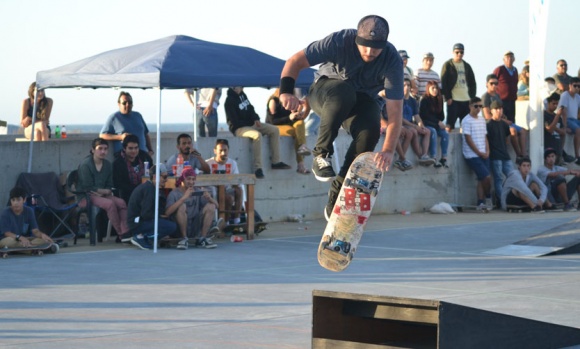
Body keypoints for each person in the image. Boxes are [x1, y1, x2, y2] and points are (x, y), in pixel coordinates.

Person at [278, 14, 404, 219]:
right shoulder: (339, 41)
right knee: (343, 91)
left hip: (359, 102)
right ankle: (321, 155)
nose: (370, 52)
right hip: (324, 93)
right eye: (364, 46)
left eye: (376, 48)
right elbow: (295, 61)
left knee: (371, 128)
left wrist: (388, 149)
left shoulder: (392, 60)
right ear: (357, 40)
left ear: (385, 44)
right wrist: (286, 92)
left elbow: (395, 112)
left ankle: (339, 195)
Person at [224, 86, 292, 179]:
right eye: (234, 87)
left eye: (239, 86)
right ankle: (258, 168)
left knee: (274, 130)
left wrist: (256, 118)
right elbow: (234, 122)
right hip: (239, 128)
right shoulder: (229, 101)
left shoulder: (243, 95)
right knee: (257, 135)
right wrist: (250, 123)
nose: (237, 88)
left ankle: (276, 162)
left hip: (251, 124)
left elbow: (251, 109)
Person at [77, 138, 130, 241]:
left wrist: (106, 191)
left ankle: (126, 231)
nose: (103, 151)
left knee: (121, 202)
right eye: (100, 148)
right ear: (93, 150)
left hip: (103, 195)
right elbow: (87, 187)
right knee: (109, 204)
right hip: (86, 196)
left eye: (105, 149)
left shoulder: (108, 165)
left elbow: (110, 184)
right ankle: (121, 234)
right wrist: (102, 191)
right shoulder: (86, 165)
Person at [127, 164, 180, 250]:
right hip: (137, 223)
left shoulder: (152, 188)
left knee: (170, 224)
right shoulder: (149, 189)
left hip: (139, 220)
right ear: (155, 177)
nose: (166, 180)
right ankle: (141, 236)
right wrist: (160, 216)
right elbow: (146, 213)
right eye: (165, 177)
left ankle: (145, 236)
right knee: (171, 227)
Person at [165, 168, 218, 249]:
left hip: (194, 226)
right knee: (182, 206)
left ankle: (202, 239)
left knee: (211, 206)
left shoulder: (197, 191)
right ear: (182, 179)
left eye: (193, 179)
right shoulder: (174, 193)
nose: (191, 182)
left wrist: (210, 198)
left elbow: (217, 207)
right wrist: (184, 198)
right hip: (178, 229)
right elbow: (167, 213)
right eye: (188, 179)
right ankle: (184, 239)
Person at [266, 88, 312, 175]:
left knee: (300, 123)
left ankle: (302, 147)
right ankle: (301, 164)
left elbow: (294, 117)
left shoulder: (292, 100)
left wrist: (299, 114)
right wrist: (289, 117)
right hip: (275, 126)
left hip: (289, 124)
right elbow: (273, 121)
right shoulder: (273, 101)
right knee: (295, 132)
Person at [482, 74, 528, 159]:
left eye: (496, 83)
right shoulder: (486, 97)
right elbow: (487, 116)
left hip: (503, 121)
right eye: (491, 83)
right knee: (513, 131)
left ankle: (524, 154)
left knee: (523, 131)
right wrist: (505, 121)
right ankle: (518, 155)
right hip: (494, 123)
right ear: (486, 84)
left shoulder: (497, 96)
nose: (494, 85)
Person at [99, 91, 154, 157]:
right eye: (124, 103)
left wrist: (150, 150)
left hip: (142, 156)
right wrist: (120, 137)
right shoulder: (114, 117)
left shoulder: (138, 115)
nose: (127, 105)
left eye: (130, 102)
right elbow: (102, 135)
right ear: (119, 104)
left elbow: (146, 134)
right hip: (124, 158)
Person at [461, 97, 492, 209]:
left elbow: (484, 137)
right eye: (476, 106)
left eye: (480, 106)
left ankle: (480, 202)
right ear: (470, 106)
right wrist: (478, 152)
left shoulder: (482, 120)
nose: (478, 108)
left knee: (481, 178)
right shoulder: (466, 120)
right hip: (472, 155)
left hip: (484, 154)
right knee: (486, 177)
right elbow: (468, 139)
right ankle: (488, 197)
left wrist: (487, 151)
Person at [205, 138, 244, 224]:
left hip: (227, 188)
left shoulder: (232, 163)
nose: (223, 153)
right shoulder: (208, 163)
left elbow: (237, 180)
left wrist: (235, 185)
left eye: (225, 150)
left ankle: (237, 219)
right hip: (214, 190)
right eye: (221, 150)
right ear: (215, 151)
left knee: (239, 190)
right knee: (228, 198)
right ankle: (225, 222)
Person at [440, 43, 476, 132]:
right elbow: (443, 82)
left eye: (461, 52)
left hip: (466, 99)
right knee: (450, 125)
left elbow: (472, 83)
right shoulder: (448, 65)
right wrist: (448, 97)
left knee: (465, 125)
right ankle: (448, 143)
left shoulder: (467, 66)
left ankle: (465, 144)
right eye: (457, 52)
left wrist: (472, 98)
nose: (459, 54)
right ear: (453, 52)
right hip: (453, 99)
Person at [398, 78, 434, 166]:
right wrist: (414, 126)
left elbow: (416, 116)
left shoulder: (412, 101)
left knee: (427, 131)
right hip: (402, 125)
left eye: (408, 85)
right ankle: (420, 156)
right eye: (404, 85)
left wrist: (420, 125)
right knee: (413, 131)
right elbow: (400, 118)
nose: (406, 87)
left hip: (411, 124)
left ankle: (424, 155)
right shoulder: (398, 100)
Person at [112, 134, 153, 205]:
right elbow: (118, 184)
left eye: (136, 148)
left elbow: (153, 171)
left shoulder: (145, 157)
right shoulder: (118, 163)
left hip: (146, 191)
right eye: (130, 148)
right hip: (128, 195)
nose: (134, 151)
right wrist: (137, 190)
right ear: (124, 149)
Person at [487, 100, 514, 204]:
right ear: (491, 111)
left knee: (512, 176)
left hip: (505, 155)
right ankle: (503, 201)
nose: (499, 111)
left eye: (500, 109)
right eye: (496, 109)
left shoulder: (504, 124)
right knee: (498, 179)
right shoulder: (489, 124)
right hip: (495, 156)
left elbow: (507, 139)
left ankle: (508, 197)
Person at [419, 80, 449, 168]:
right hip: (427, 123)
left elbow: (442, 117)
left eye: (436, 88)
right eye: (433, 88)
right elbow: (424, 115)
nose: (435, 90)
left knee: (445, 134)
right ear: (428, 89)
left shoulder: (439, 99)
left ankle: (444, 157)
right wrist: (437, 122)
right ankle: (433, 157)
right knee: (433, 132)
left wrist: (440, 102)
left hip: (436, 124)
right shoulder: (424, 99)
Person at [558, 77, 580, 165]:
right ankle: (577, 156)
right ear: (570, 86)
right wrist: (564, 126)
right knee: (578, 130)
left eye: (579, 86)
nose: (577, 88)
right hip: (566, 119)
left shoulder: (578, 97)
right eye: (575, 86)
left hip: (575, 120)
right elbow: (563, 112)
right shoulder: (565, 95)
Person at [543, 93, 571, 164]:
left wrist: (555, 127)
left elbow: (563, 132)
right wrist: (558, 115)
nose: (555, 106)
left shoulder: (558, 117)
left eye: (557, 104)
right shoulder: (544, 115)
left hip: (557, 151)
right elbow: (549, 129)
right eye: (553, 103)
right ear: (548, 103)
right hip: (548, 150)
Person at [493, 51, 519, 123]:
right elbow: (492, 81)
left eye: (511, 57)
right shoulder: (499, 69)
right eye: (507, 57)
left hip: (512, 100)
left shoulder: (515, 70)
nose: (509, 59)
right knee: (502, 120)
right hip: (501, 100)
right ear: (504, 59)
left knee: (511, 120)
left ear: (514, 59)